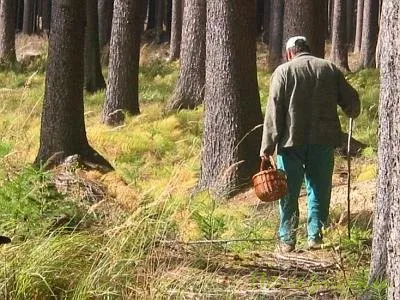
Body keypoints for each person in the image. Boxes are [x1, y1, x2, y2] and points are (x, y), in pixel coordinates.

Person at [260, 36, 360, 252]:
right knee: (319, 189)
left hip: (290, 143)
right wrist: (353, 110)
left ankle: (287, 240)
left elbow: (273, 112)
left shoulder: (283, 72)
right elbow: (352, 102)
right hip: (322, 141)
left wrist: (267, 147)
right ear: (307, 49)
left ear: (289, 53)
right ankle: (315, 237)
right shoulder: (329, 69)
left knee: (288, 191)